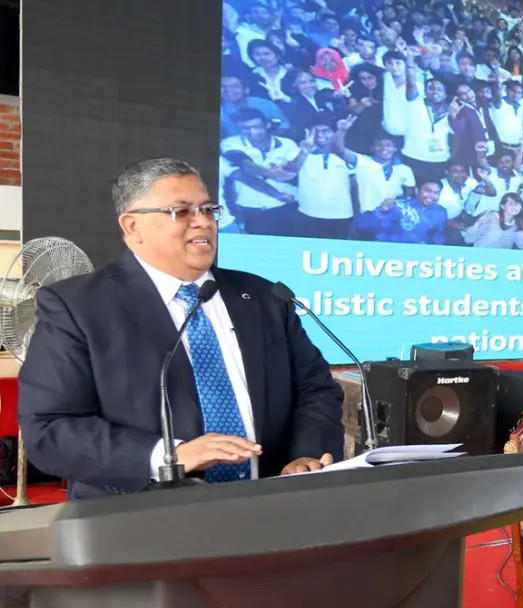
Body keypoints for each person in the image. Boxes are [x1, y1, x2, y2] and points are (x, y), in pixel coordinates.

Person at [18, 158, 344, 500]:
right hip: (139, 517)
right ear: (133, 226)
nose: (203, 222)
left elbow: (315, 387)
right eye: (182, 211)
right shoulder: (78, 307)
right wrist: (168, 456)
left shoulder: (264, 297)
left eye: (208, 209)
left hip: (271, 508)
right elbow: (50, 428)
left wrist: (306, 454)